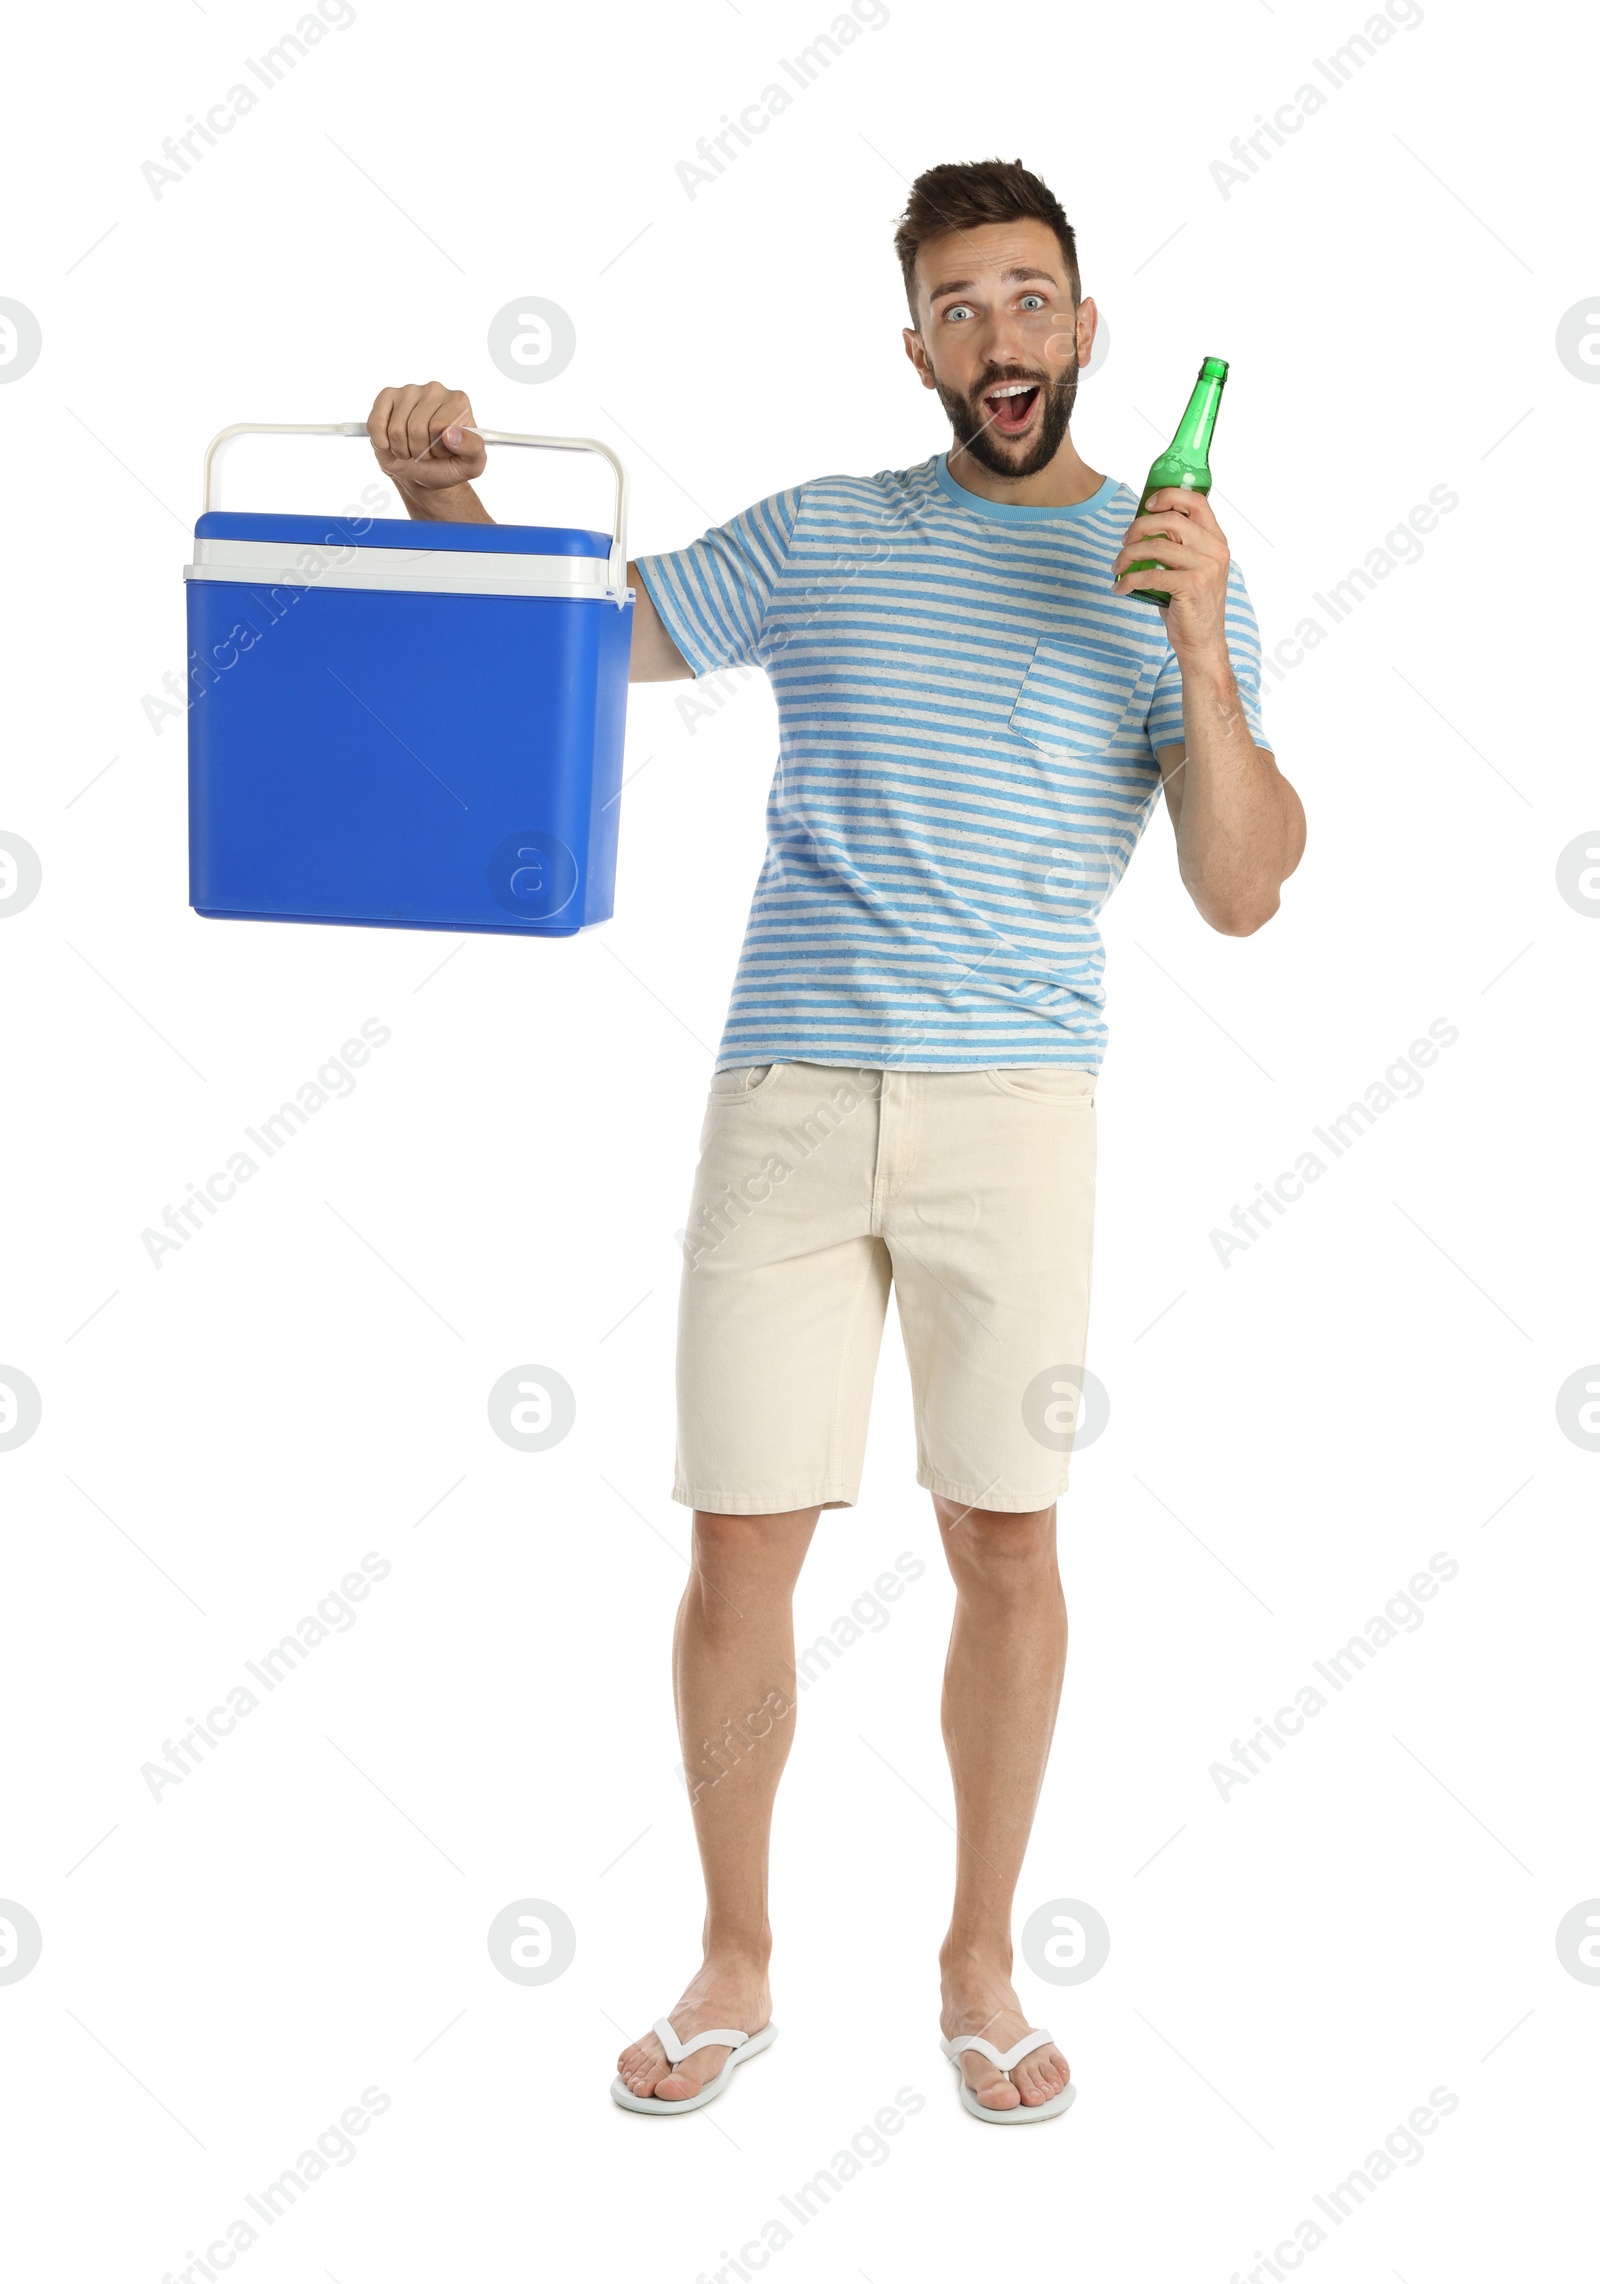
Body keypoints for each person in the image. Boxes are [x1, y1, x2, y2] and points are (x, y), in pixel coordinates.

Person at [365, 157, 1304, 2123]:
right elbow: (554, 645)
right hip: (786, 1094)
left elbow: (1240, 887)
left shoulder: (1158, 567)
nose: (997, 334)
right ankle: (735, 1956)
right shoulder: (821, 536)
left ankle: (976, 1955)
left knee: (1007, 1537)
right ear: (916, 348)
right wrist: (438, 494)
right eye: (956, 305)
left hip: (1017, 1110)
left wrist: (1205, 643)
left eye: (1027, 296)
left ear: (1082, 325)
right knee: (737, 1544)